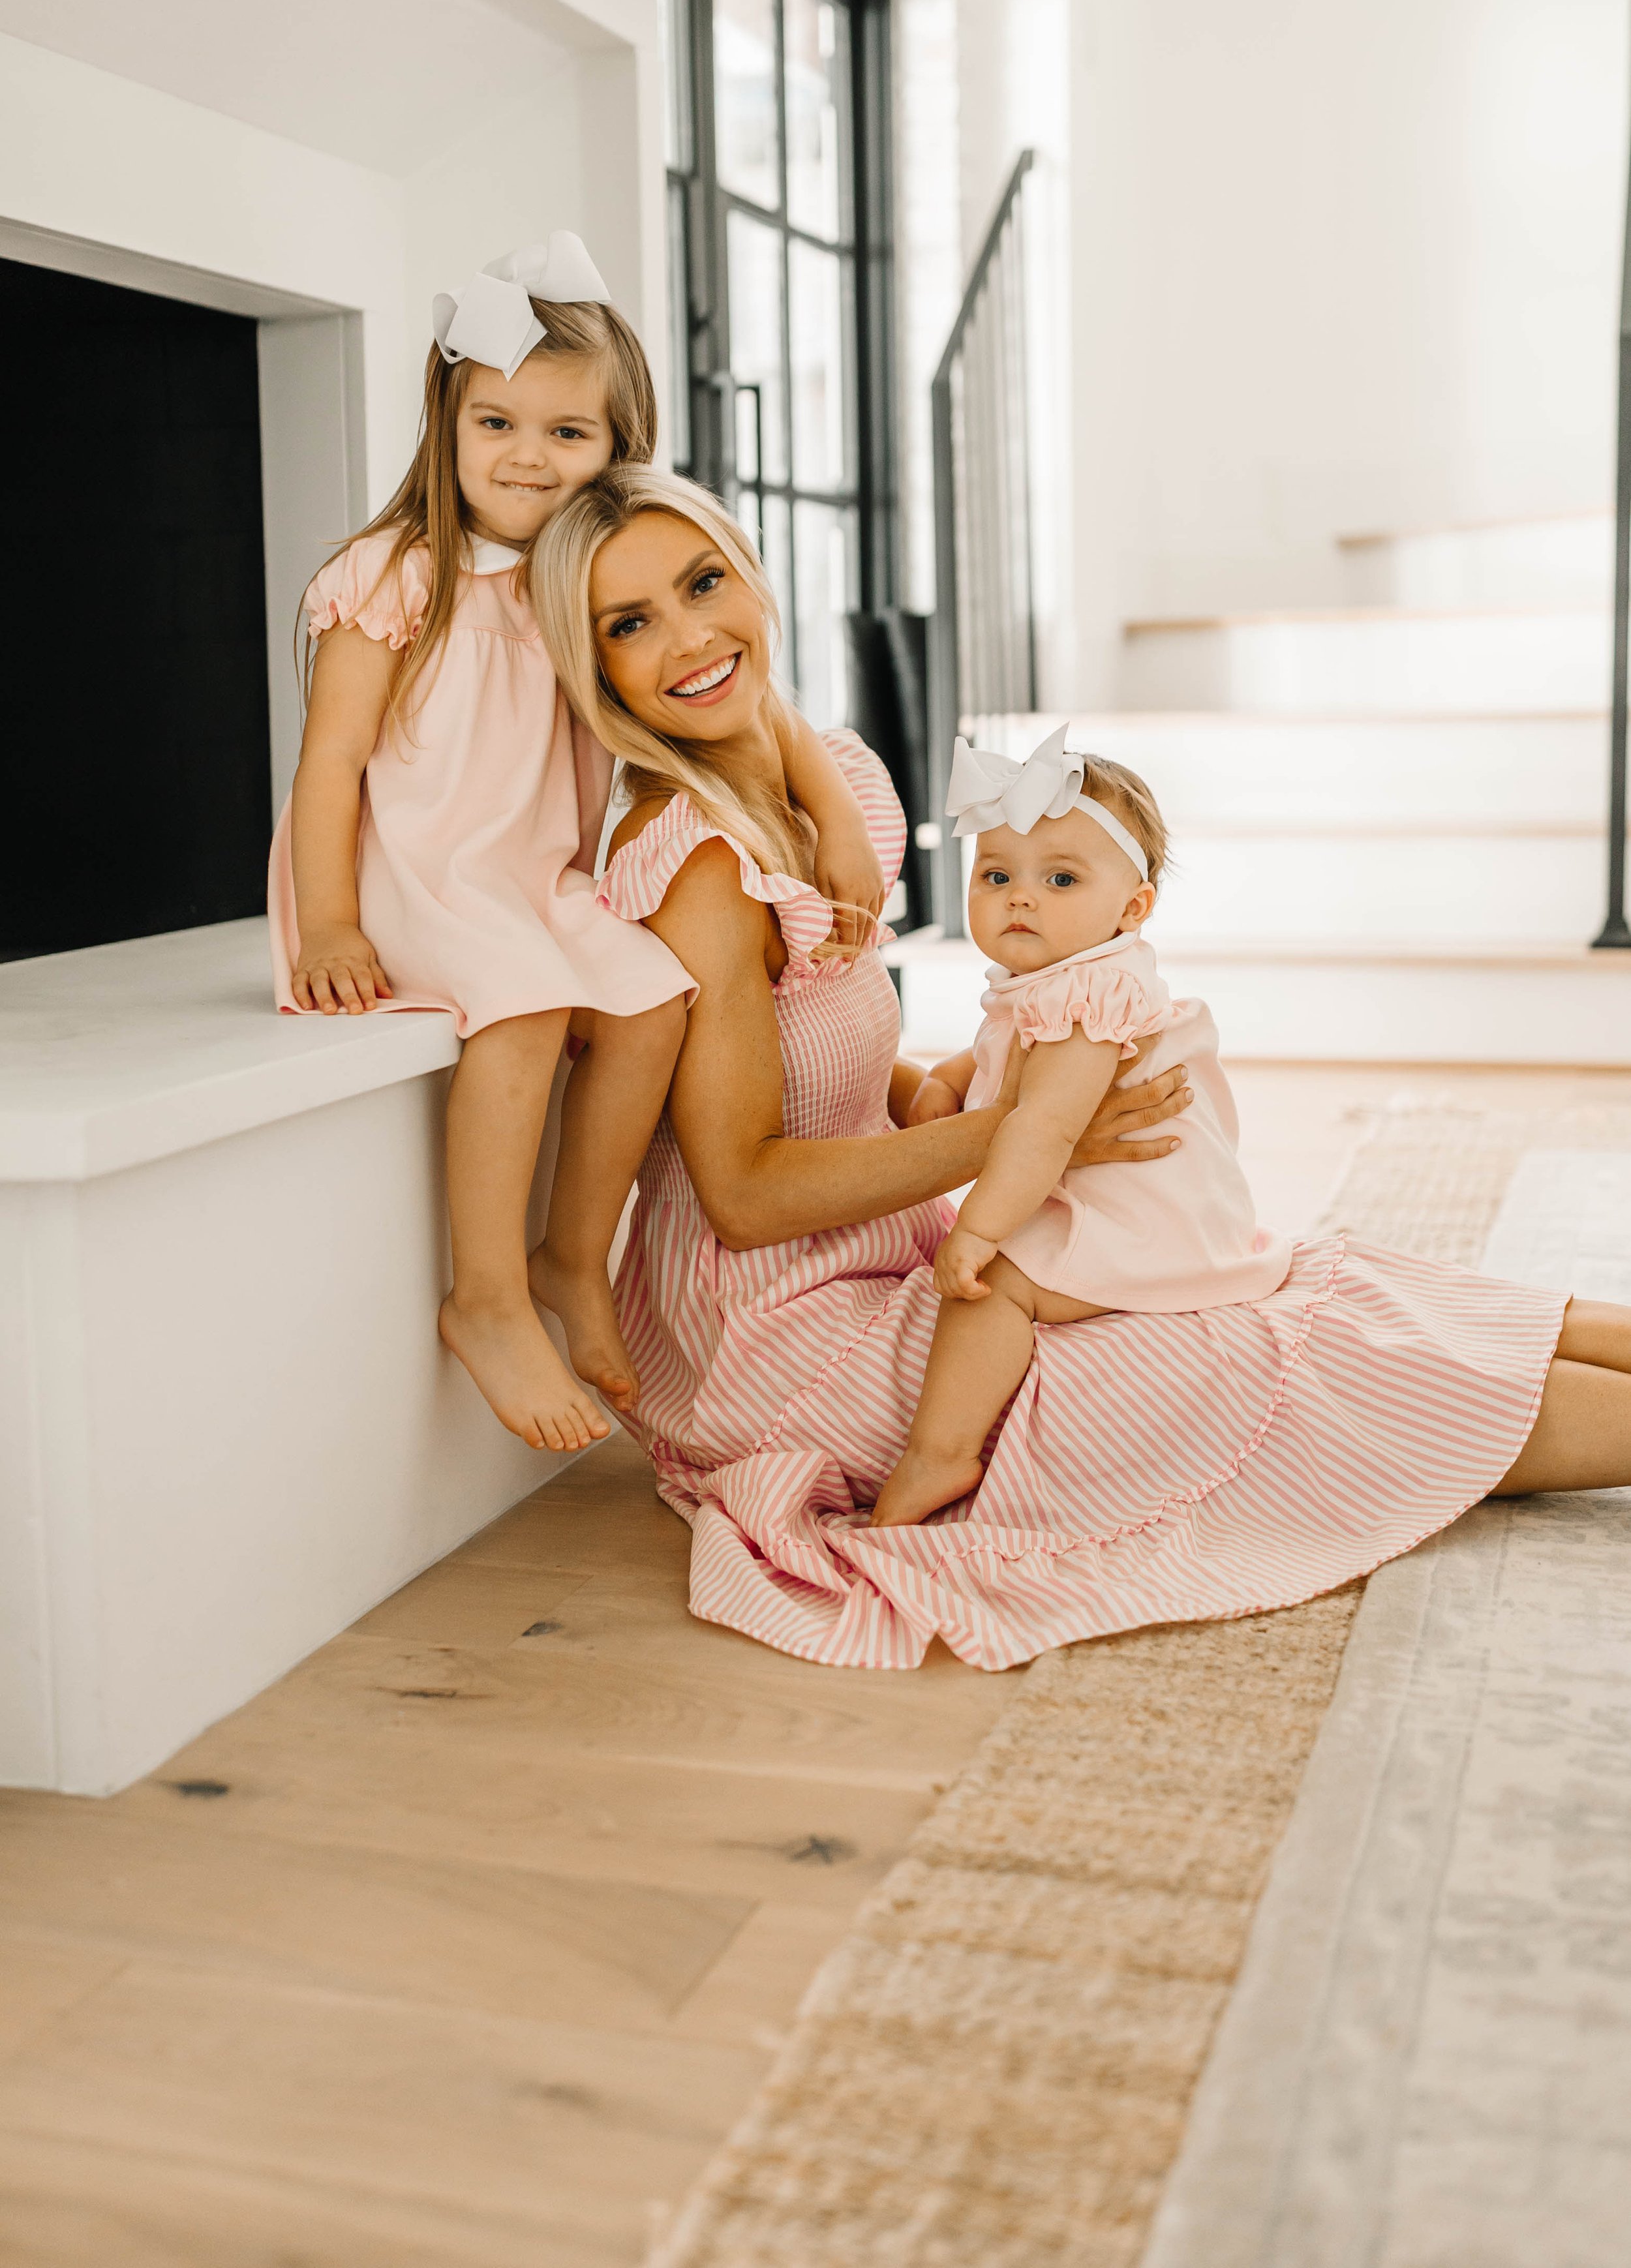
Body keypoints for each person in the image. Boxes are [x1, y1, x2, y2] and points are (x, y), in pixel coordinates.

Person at [534, 462, 1631, 1672]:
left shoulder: (826, 788)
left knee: (1313, 1280)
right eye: (630, 623)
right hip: (781, 1333)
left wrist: (960, 1096)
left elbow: (832, 1064)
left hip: (890, 1251)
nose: (689, 638)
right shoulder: (701, 869)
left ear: (752, 578)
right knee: (1235, 1358)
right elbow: (741, 1195)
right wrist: (1027, 1132)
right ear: (596, 668)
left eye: (703, 584)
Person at [268, 238, 883, 1457]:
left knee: (653, 1000)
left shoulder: (581, 580)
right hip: (417, 877)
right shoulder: (392, 576)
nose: (527, 456)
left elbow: (764, 707)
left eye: (568, 433)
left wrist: (842, 822)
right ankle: (487, 1295)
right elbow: (329, 762)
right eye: (495, 423)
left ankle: (572, 1252)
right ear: (445, 425)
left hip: (533, 880)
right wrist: (328, 920)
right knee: (526, 1011)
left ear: (618, 447)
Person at [871, 725, 1289, 1525]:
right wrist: (951, 1078)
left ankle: (941, 1454)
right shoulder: (1066, 976)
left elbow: (1045, 1129)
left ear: (1132, 908)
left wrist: (977, 1232)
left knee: (992, 1288)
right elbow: (1000, 1048)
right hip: (1148, 1199)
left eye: (1060, 879)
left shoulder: (1083, 998)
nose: (1020, 897)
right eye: (996, 875)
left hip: (1143, 1224)